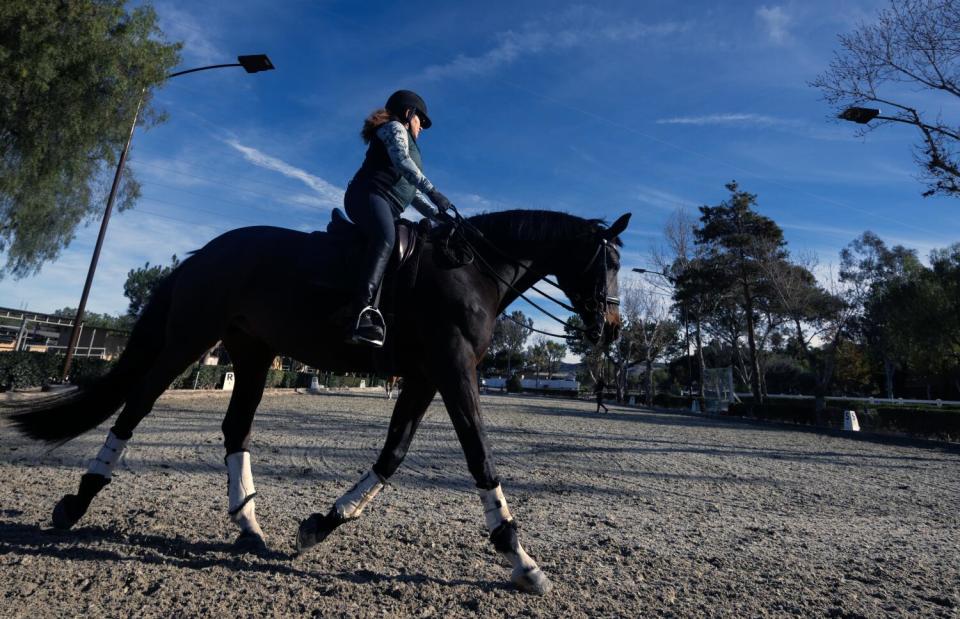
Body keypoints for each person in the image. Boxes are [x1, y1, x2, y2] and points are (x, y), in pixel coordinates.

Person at [344, 90, 453, 347]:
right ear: (408, 113)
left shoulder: (410, 142)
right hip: (367, 195)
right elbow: (403, 162)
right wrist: (435, 191)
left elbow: (412, 195)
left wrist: (442, 217)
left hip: (389, 205)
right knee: (385, 237)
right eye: (421, 120)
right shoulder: (394, 128)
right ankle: (360, 313)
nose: (422, 127)